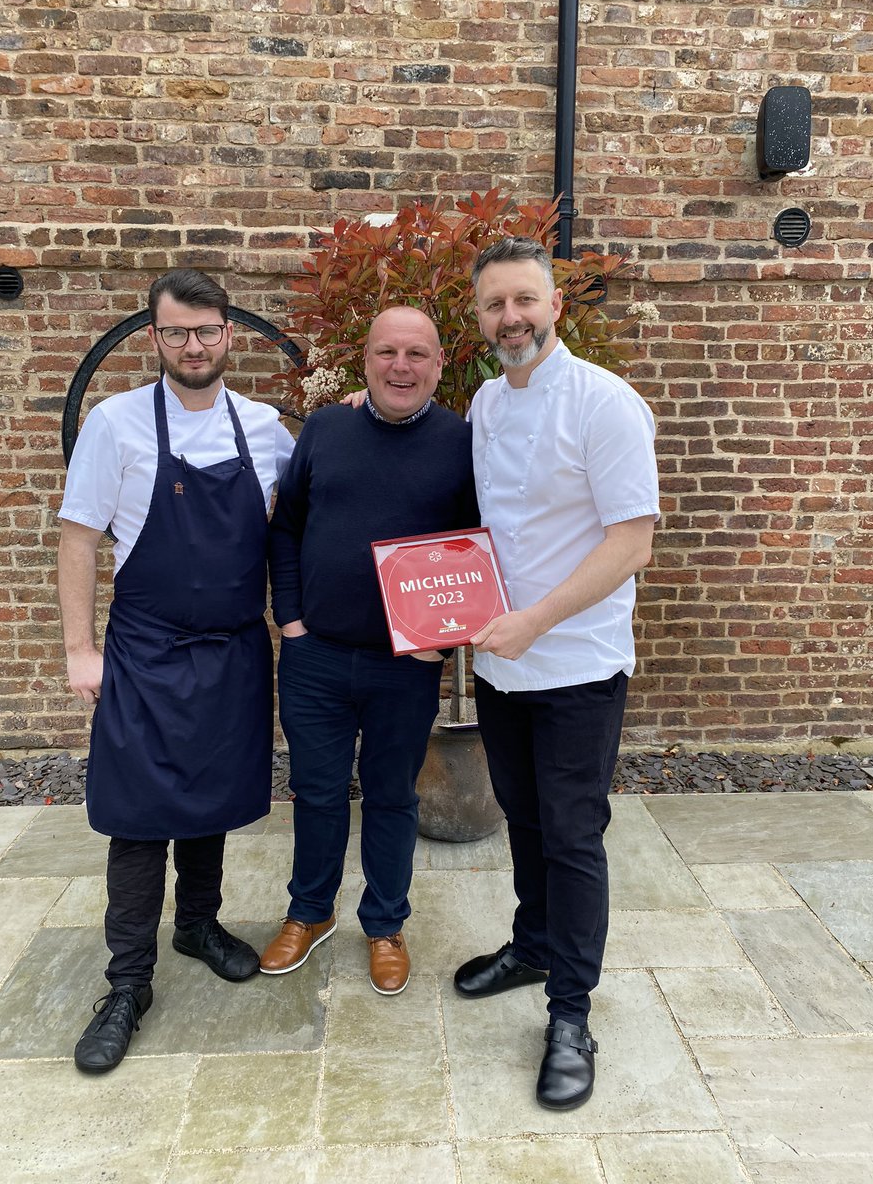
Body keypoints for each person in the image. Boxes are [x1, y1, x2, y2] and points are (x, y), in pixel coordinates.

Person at [57, 268, 294, 1073]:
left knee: (210, 800)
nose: (194, 346)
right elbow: (79, 540)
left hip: (231, 650)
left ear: (229, 334)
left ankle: (198, 923)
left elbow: (312, 518)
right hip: (146, 651)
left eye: (207, 330)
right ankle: (126, 984)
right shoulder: (116, 424)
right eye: (176, 333)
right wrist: (79, 650)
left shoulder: (262, 428)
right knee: (136, 815)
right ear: (153, 339)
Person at [452, 237, 660, 1110]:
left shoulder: (606, 404)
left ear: (555, 306)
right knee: (526, 822)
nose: (513, 318)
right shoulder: (485, 405)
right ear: (479, 318)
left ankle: (571, 1014)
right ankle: (532, 942)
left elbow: (631, 542)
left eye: (525, 301)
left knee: (573, 838)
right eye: (496, 304)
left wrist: (534, 620)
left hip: (574, 665)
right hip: (503, 672)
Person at [260, 306, 478, 995]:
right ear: (366, 361)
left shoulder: (462, 443)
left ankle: (384, 924)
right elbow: (286, 527)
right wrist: (289, 618)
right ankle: (310, 913)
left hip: (402, 667)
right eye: (387, 352)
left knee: (391, 797)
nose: (401, 366)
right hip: (314, 656)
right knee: (317, 791)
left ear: (440, 366)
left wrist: (440, 644)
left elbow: (476, 553)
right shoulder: (325, 429)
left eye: (417, 354)